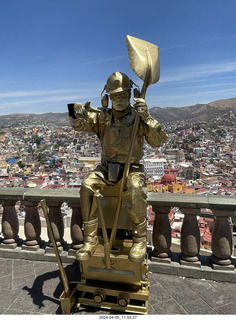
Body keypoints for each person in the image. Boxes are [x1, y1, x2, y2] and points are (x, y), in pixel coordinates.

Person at [68, 71, 167, 263]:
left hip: (133, 168)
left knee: (136, 189)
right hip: (107, 168)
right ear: (108, 98)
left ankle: (139, 240)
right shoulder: (103, 118)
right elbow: (79, 125)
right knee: (87, 185)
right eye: (115, 96)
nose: (120, 100)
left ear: (131, 96)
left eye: (123, 96)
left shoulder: (139, 118)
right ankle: (89, 240)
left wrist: (147, 117)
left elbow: (157, 142)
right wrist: (75, 110)